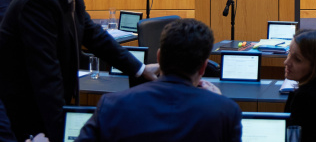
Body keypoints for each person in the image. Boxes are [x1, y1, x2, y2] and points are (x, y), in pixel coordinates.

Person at [0, 0, 159, 141]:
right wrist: (62, 132)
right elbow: (46, 76)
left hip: (44, 104)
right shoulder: (40, 1)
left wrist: (139, 69)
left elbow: (93, 34)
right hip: (27, 111)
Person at [75, 18, 241, 142]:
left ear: (159, 56)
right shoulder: (225, 111)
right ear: (204, 67)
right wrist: (218, 100)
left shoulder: (111, 105)